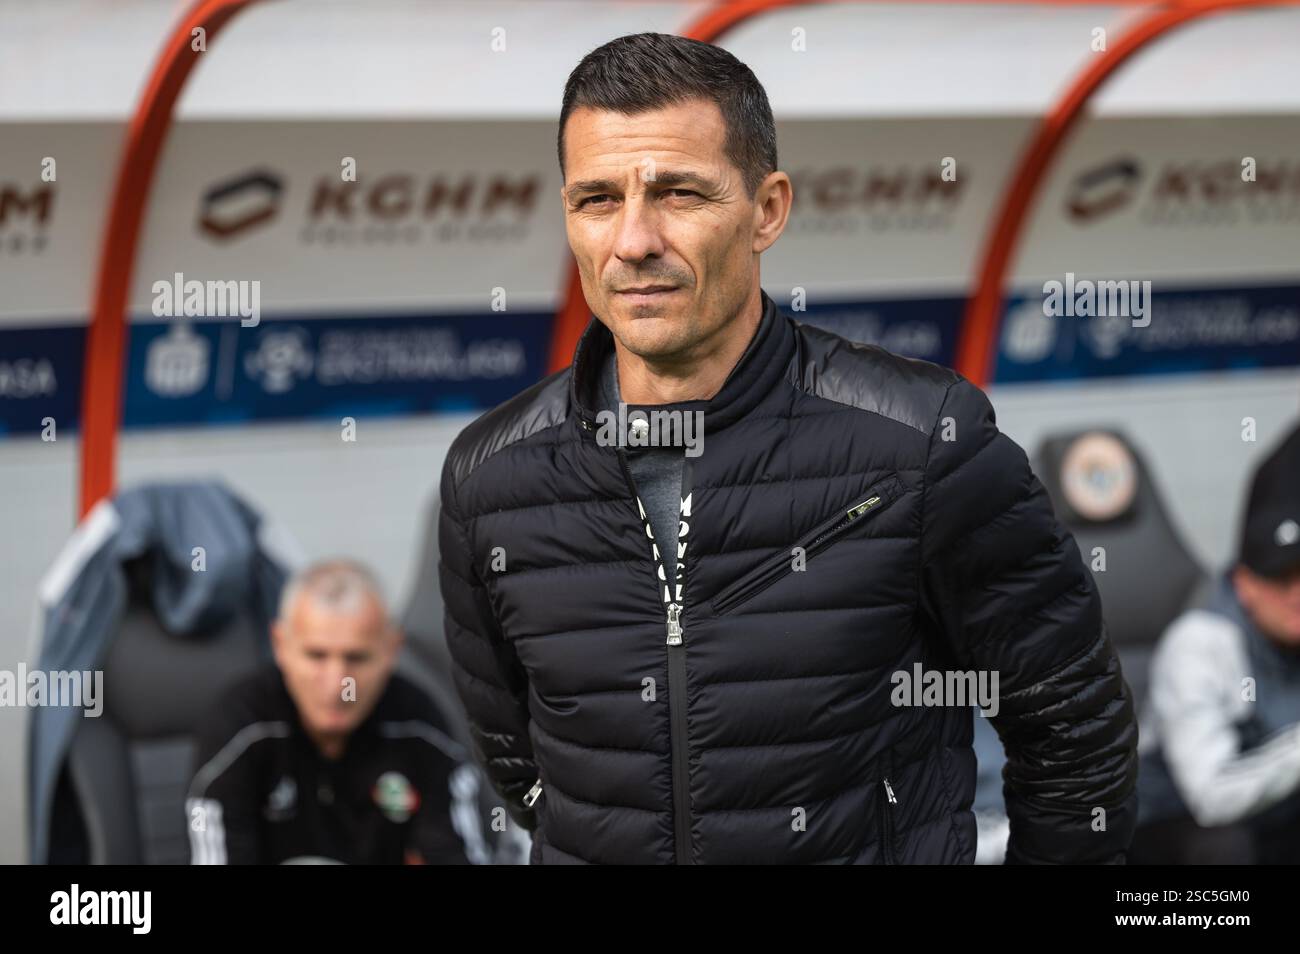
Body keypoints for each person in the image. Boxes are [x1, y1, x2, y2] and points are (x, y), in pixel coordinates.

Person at [437, 32, 1137, 864]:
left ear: (767, 209)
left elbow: (1074, 738)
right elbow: (524, 765)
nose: (633, 240)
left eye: (679, 194)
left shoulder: (922, 442)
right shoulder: (490, 478)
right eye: (597, 200)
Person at [187, 559, 473, 864]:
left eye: (356, 658)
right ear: (281, 645)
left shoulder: (422, 730)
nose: (337, 684)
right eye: (316, 655)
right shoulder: (239, 729)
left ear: (391, 650)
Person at [1133, 422, 1300, 864]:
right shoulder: (1200, 644)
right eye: (1281, 578)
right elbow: (1211, 798)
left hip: (1278, 825)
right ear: (1244, 582)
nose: (1296, 594)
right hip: (1171, 834)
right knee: (1224, 846)